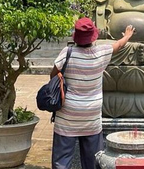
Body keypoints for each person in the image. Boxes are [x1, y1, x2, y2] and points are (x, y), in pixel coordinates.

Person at [50, 18, 135, 169]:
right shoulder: (101, 52)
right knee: (93, 160)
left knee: (61, 161)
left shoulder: (67, 53)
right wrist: (127, 35)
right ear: (93, 36)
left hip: (67, 115)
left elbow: (53, 75)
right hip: (91, 115)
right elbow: (118, 45)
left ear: (76, 36)